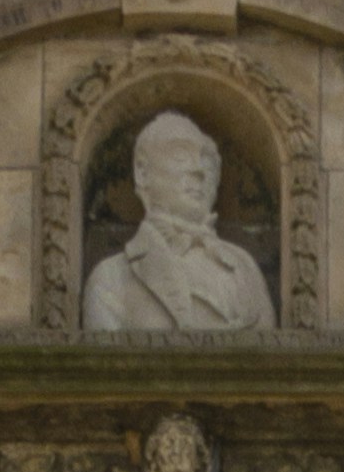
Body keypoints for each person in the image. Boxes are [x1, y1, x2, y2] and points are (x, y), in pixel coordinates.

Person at [86, 112, 275, 335]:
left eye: (207, 161)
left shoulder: (245, 268)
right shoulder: (111, 278)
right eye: (180, 154)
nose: (199, 170)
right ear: (143, 172)